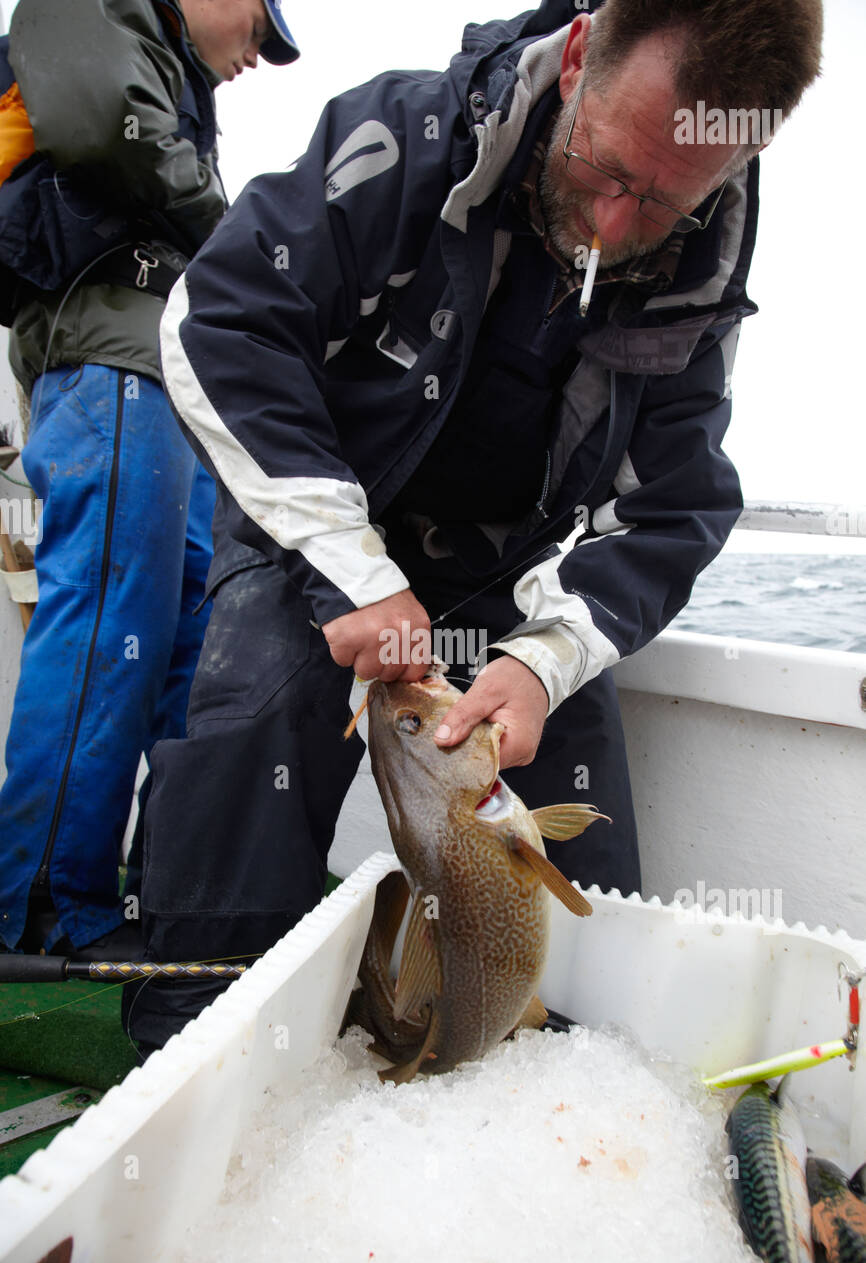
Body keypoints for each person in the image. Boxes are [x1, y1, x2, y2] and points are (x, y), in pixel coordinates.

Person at [123, 0, 823, 1053]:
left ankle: (534, 1080)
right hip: (320, 523)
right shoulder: (399, 139)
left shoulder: (698, 276)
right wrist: (356, 574)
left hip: (508, 571)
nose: (614, 226)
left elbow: (669, 504)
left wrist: (544, 660)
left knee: (577, 889)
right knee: (260, 697)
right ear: (581, 55)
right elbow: (220, 322)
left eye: (663, 203)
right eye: (607, 172)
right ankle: (196, 1034)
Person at [0, 0, 299, 958]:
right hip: (111, 365)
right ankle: (42, 910)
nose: (259, 55)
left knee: (182, 638)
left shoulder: (171, 71)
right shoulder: (91, 6)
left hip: (165, 380)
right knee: (108, 626)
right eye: (261, 25)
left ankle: (154, 890)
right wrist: (236, 242)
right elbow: (96, 118)